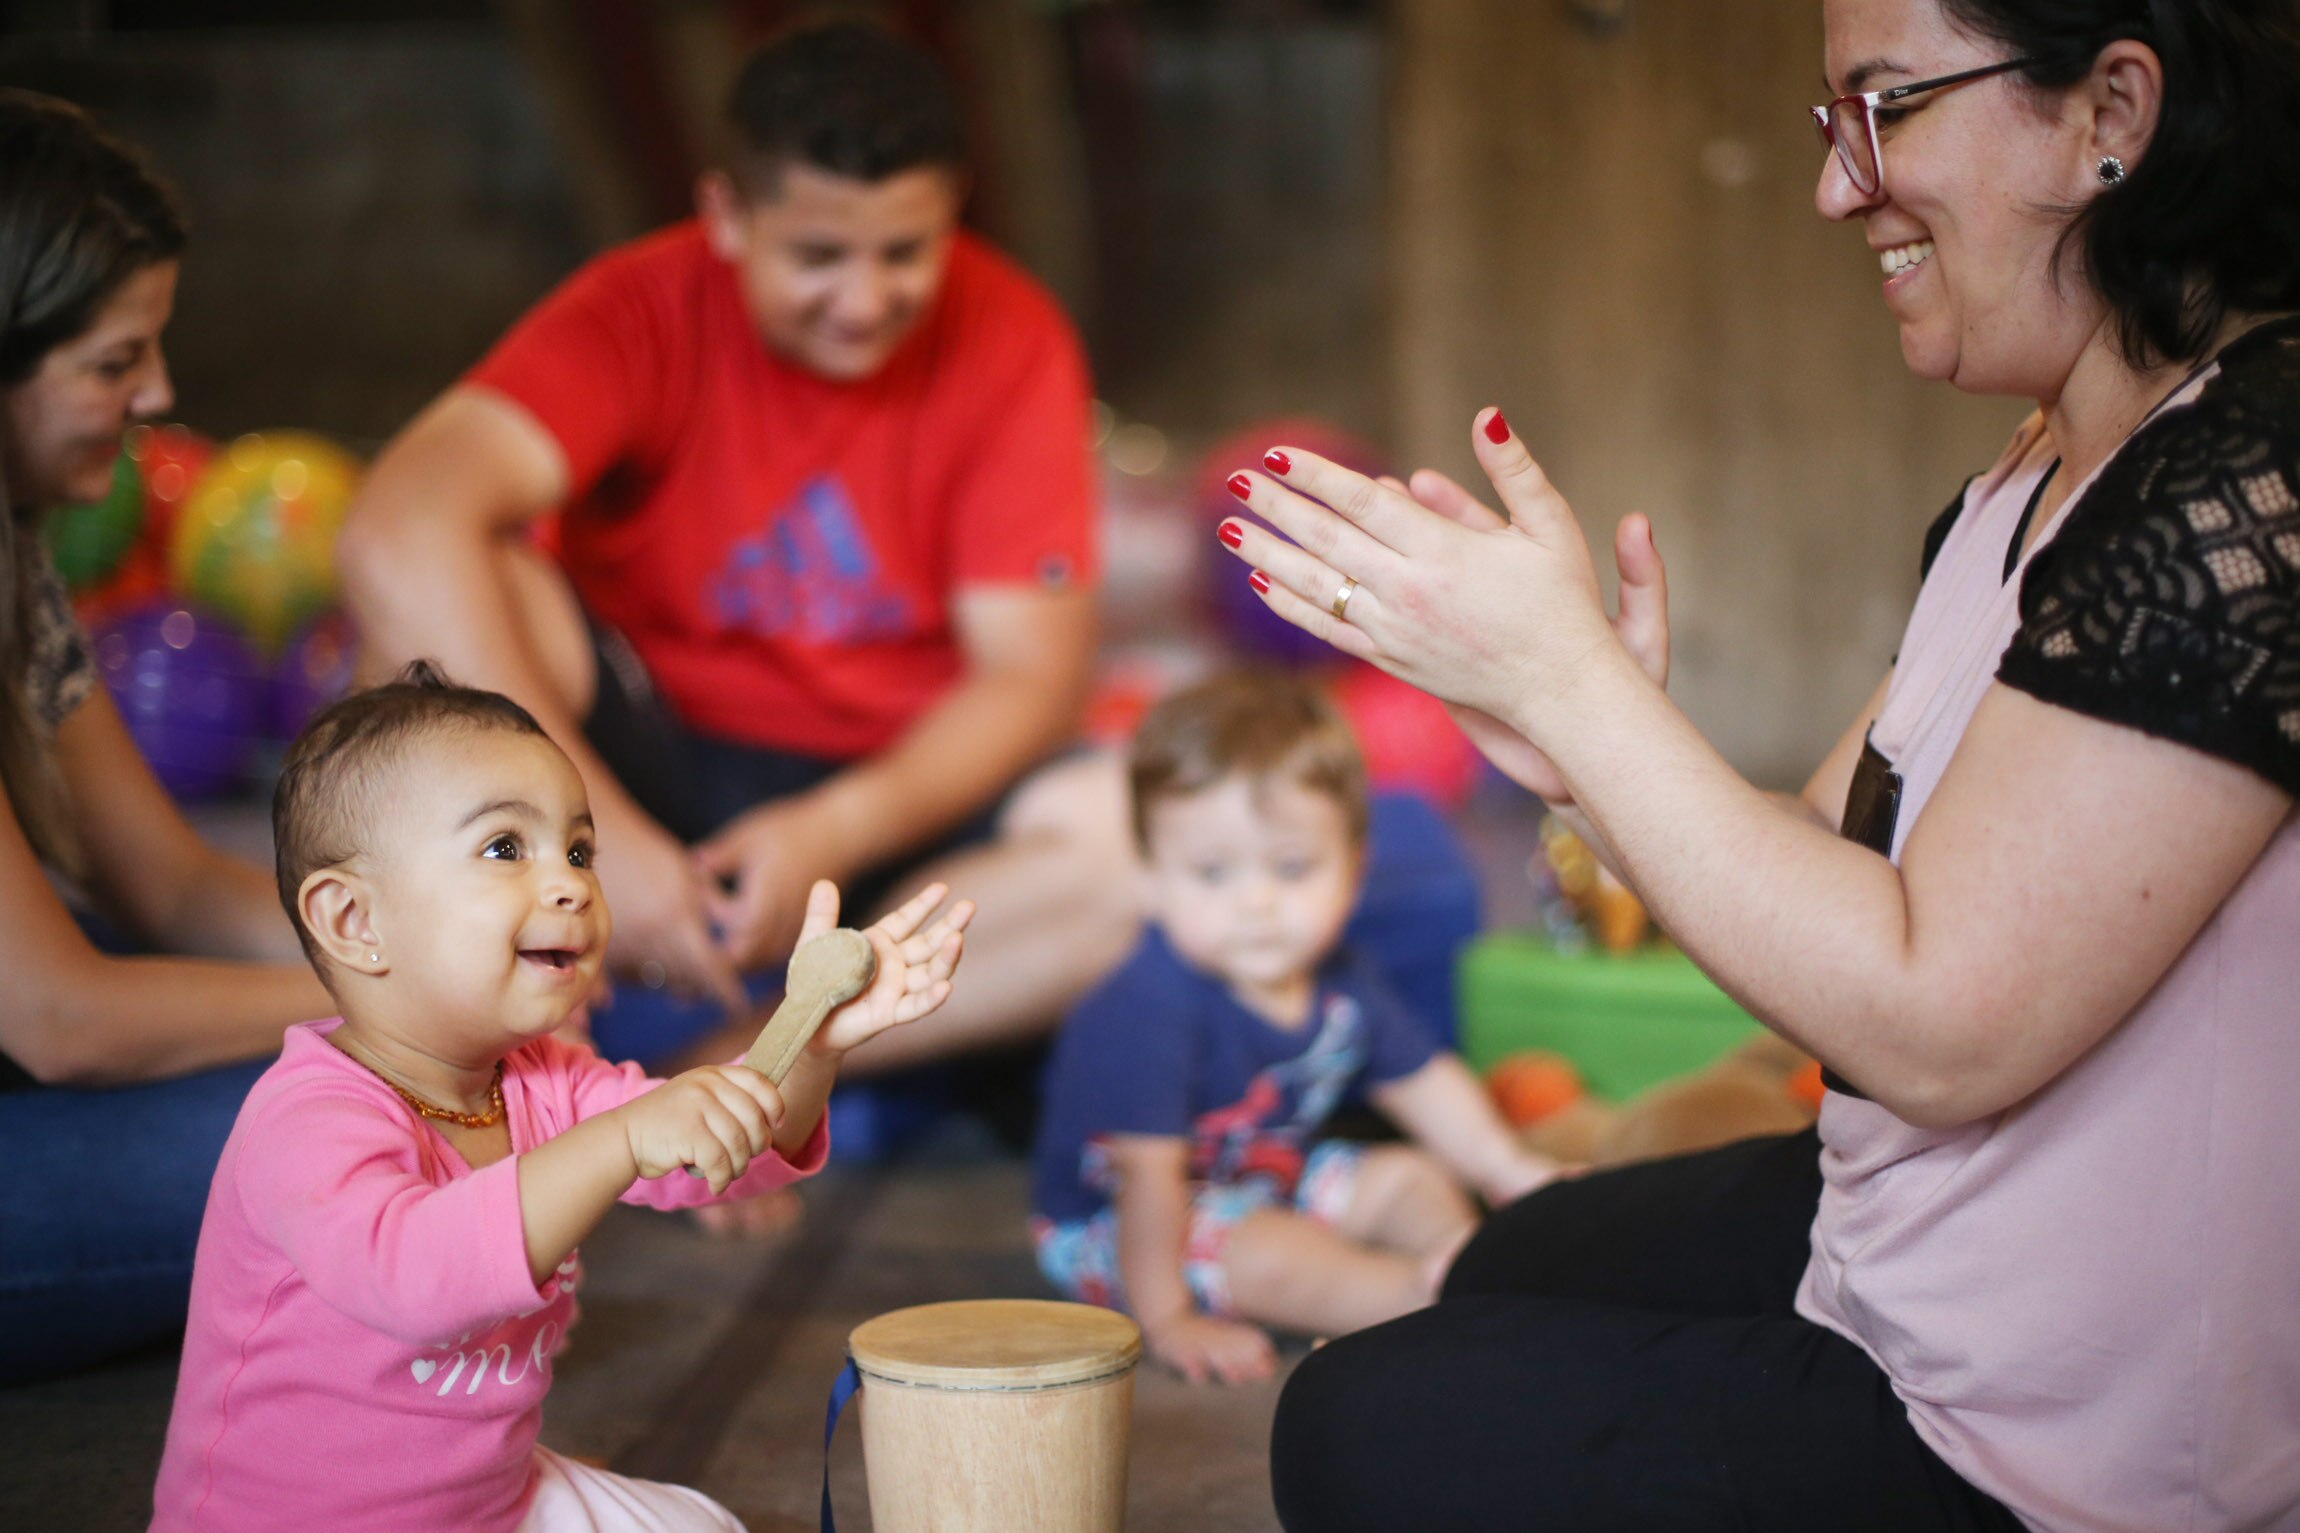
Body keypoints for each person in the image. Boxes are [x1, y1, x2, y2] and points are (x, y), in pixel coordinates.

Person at [1215, 0, 2300, 1527]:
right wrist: (1586, 747)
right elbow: (1826, 866)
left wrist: (1576, 686)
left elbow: (1934, 1029)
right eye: (1830, 123)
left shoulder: (2251, 478)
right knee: (1512, 1267)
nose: (1838, 186)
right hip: (1912, 1247)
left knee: (1356, 1425)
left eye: (1889, 107)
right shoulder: (2041, 464)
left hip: (2069, 1449)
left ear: (2110, 111)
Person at [336, 17, 1133, 1076]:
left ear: (952, 213)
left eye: (904, 253)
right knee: (433, 628)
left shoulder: (1013, 333)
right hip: (647, 751)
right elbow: (398, 523)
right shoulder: (638, 306)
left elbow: (1030, 679)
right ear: (725, 215)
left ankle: (745, 1071)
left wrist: (834, 829)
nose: (862, 301)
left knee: (1134, 847)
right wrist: (597, 833)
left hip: (900, 787)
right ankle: (441, 1043)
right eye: (816, 256)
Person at [150, 664, 971, 1531]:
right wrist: (621, 1138)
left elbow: (716, 1162)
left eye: (580, 850)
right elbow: (412, 1277)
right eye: (506, 848)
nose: (572, 882)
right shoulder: (306, 1118)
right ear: (356, 922)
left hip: (486, 1503)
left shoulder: (543, 1077)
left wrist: (812, 1041)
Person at [0, 90, 336, 1384]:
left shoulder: (14, 545)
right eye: (111, 361)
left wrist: (409, 950)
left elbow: (174, 878)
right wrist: (405, 1008)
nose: (160, 394)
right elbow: (62, 1020)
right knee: (384, 1118)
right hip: (38, 1036)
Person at [1030, 670, 1561, 1386]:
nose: (1256, 902)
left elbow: (1424, 1079)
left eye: (1292, 866)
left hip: (1261, 1177)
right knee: (1267, 1255)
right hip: (1117, 1224)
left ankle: (1470, 1257)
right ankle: (1421, 1299)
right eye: (1213, 874)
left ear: (1355, 867)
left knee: (1408, 1172)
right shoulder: (1146, 1006)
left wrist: (1506, 1169)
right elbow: (1147, 1182)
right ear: (1150, 878)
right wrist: (1168, 1319)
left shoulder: (1343, 974)